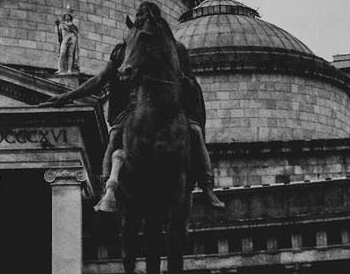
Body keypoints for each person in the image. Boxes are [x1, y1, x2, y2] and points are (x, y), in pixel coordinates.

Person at [44, 38, 224, 211]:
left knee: (195, 131)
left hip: (169, 108)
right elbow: (99, 80)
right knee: (114, 135)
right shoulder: (122, 52)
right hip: (132, 108)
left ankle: (207, 185)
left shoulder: (167, 52)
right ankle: (107, 188)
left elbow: (188, 82)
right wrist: (65, 97)